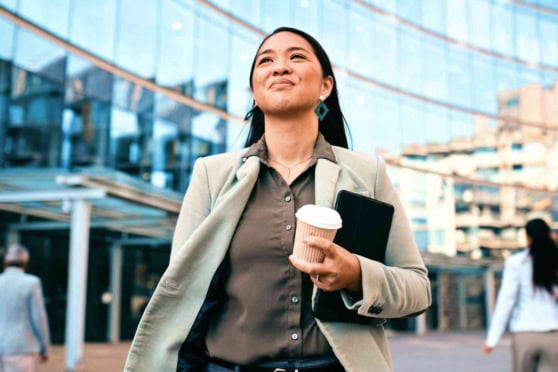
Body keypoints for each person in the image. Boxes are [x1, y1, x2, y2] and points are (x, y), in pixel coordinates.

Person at [125, 26, 431, 372]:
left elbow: (417, 289)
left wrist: (355, 275)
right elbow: (181, 291)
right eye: (265, 60)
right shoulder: (211, 175)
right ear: (255, 90)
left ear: (325, 87)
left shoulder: (368, 173)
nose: (280, 67)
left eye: (296, 57)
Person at [483, 218, 558, 371]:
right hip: (553, 334)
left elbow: (506, 301)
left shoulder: (516, 263)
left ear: (528, 237)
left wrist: (492, 340)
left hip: (524, 334)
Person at [0, 243, 50, 372]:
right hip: (20, 347)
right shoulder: (32, 282)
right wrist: (44, 346)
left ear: (5, 262)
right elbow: (38, 317)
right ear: (25, 263)